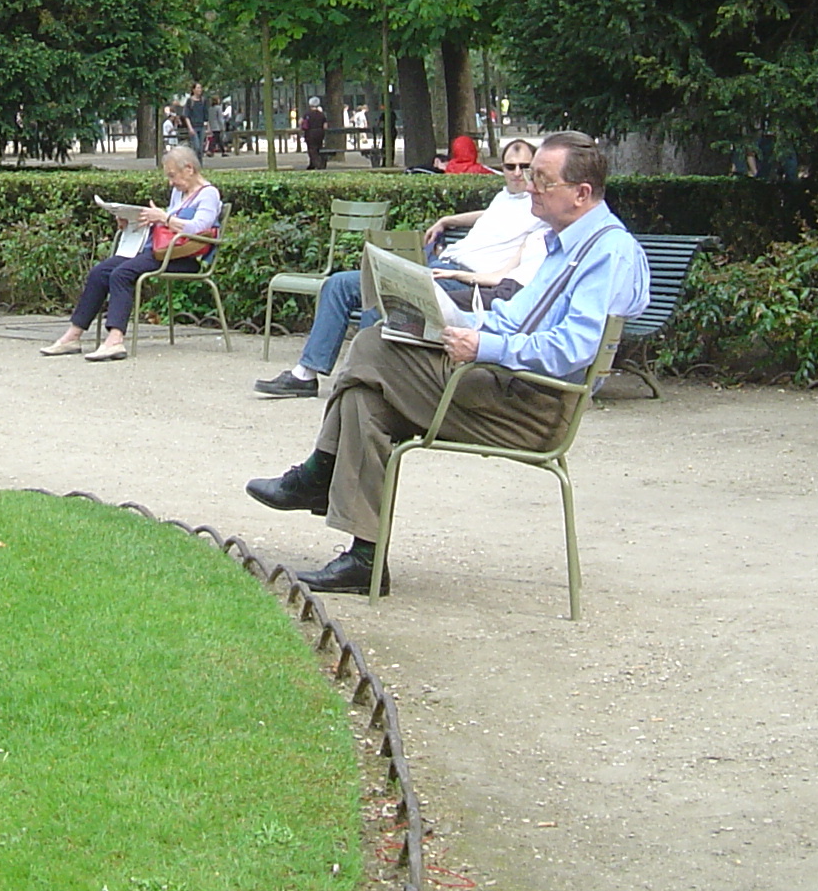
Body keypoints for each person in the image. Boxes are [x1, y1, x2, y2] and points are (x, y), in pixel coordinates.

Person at [245, 131, 650, 593]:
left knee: (374, 344)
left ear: (581, 194)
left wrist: (484, 349)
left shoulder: (606, 252)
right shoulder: (566, 244)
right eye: (531, 175)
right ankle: (363, 562)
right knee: (365, 400)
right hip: (510, 386)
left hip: (535, 406)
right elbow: (513, 316)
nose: (531, 187)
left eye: (542, 179)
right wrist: (454, 321)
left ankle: (318, 473)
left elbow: (571, 350)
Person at [255, 138, 549, 398]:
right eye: (510, 166)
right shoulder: (504, 197)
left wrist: (460, 274)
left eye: (525, 166)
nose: (517, 173)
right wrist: (448, 220)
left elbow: (510, 272)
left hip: (465, 283)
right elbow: (490, 215)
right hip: (439, 266)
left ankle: (367, 378)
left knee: (384, 295)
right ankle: (305, 375)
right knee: (339, 285)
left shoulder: (541, 209)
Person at [42, 144, 222, 364]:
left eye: (172, 175)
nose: (170, 182)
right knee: (100, 272)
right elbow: (165, 226)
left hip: (182, 257)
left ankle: (115, 340)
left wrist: (163, 217)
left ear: (189, 169)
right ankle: (73, 335)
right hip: (159, 250)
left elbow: (198, 228)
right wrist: (133, 219)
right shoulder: (179, 192)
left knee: (122, 274)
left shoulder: (209, 194)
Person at [179, 81, 211, 164]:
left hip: (201, 126)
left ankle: (200, 164)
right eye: (198, 88)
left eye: (200, 88)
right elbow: (186, 116)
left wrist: (208, 127)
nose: (200, 90)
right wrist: (190, 128)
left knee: (200, 148)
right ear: (193, 90)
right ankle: (195, 163)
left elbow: (206, 115)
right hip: (193, 126)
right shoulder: (190, 101)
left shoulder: (203, 101)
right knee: (196, 147)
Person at [301, 101, 329, 171]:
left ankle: (317, 164)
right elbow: (325, 126)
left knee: (311, 149)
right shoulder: (321, 114)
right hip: (319, 133)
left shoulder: (307, 114)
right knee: (318, 147)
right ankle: (312, 164)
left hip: (310, 133)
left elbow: (301, 121)